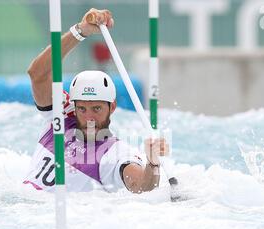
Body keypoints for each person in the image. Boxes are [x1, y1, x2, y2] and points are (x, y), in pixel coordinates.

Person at [24, 8, 169, 193]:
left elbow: (142, 186)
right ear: (73, 106)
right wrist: (80, 31)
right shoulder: (60, 117)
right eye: (82, 109)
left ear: (112, 107)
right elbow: (37, 73)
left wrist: (153, 163)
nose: (89, 117)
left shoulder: (115, 154)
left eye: (97, 109)